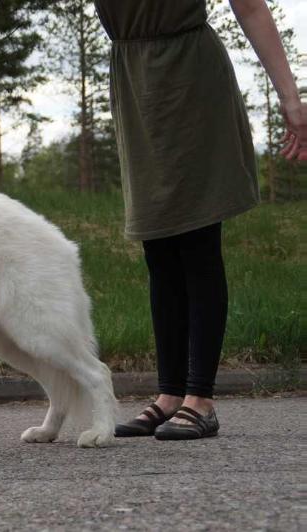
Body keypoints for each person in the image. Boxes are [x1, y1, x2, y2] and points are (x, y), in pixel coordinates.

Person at [93, 0, 307, 440]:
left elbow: (249, 7)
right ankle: (170, 394)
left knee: (196, 238)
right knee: (158, 245)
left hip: (187, 76)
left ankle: (201, 399)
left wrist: (291, 98)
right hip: (135, 81)